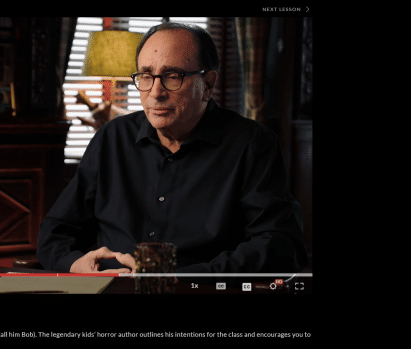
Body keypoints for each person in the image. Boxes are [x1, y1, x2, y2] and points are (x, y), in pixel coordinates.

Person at [37, 22, 307, 278]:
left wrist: (180, 279)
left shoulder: (252, 144)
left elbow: (278, 245)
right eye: (146, 76)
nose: (156, 92)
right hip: (110, 287)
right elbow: (55, 231)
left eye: (173, 76)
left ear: (208, 84)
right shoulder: (112, 137)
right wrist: (74, 264)